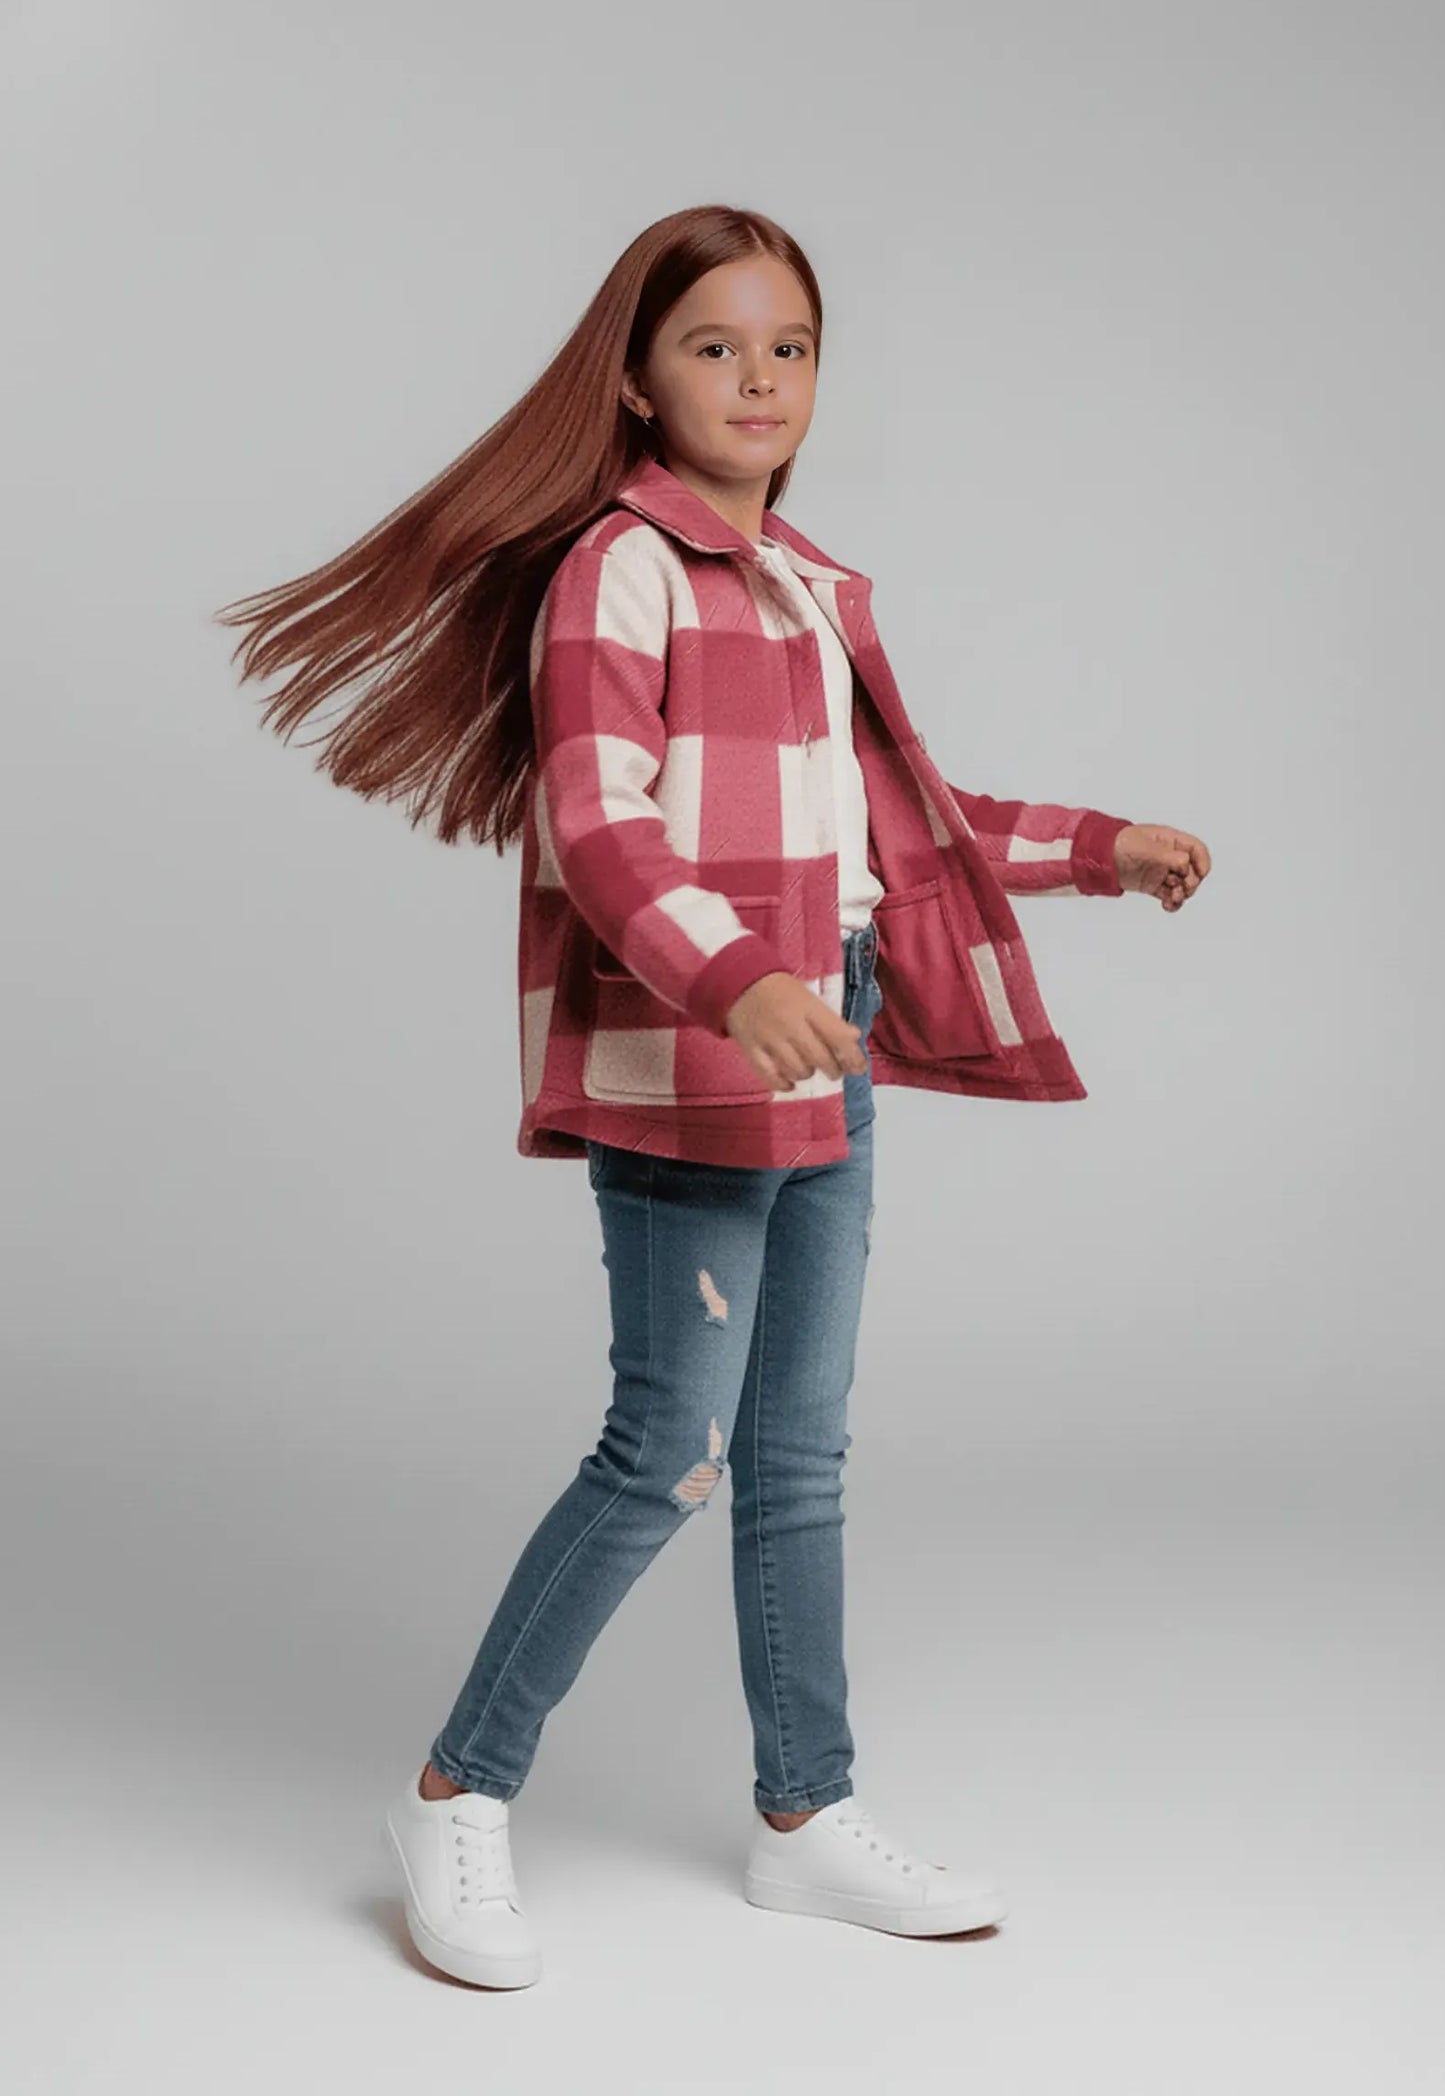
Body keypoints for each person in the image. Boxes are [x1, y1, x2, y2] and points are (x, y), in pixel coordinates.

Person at [216, 204, 1210, 1990]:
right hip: (697, 1048)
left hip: (818, 1028)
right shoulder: (624, 568)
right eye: (714, 347)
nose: (759, 378)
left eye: (790, 348)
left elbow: (897, 828)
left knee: (800, 1455)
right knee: (662, 1450)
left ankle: (803, 1818)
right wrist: (735, 978)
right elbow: (596, 823)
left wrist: (1097, 847)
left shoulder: (812, 587)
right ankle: (455, 1794)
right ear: (634, 375)